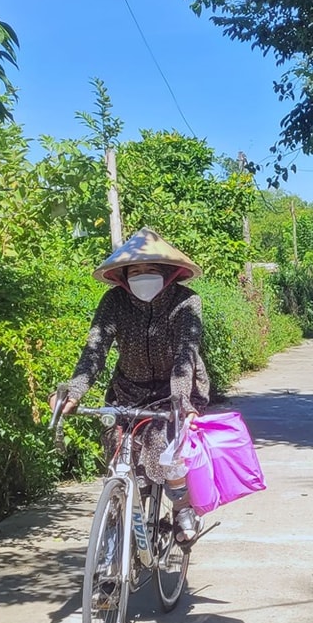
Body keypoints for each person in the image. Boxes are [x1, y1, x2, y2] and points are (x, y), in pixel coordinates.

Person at [51, 227, 210, 542]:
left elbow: (184, 356)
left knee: (173, 453)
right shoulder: (114, 302)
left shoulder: (186, 302)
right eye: (135, 270)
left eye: (151, 269)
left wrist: (182, 403)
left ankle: (181, 510)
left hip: (176, 390)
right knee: (122, 458)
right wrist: (75, 391)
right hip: (129, 391)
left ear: (167, 272)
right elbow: (94, 351)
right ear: (123, 275)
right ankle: (117, 536)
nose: (143, 275)